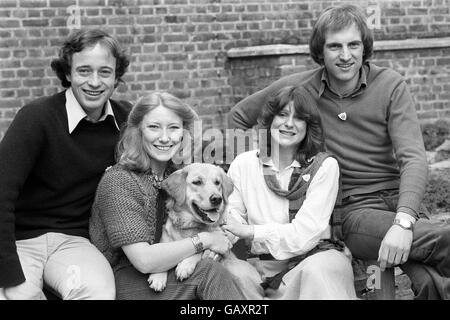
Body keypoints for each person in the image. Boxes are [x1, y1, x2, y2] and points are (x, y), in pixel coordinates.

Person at [228, 4, 450, 299]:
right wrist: (270, 164)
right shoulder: (301, 88)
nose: (345, 56)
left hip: (398, 203)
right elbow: (240, 117)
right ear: (321, 51)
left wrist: (404, 220)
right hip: (354, 210)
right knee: (443, 239)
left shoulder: (390, 85)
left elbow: (413, 158)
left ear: (364, 47)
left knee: (429, 280)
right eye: (335, 46)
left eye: (353, 45)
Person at [0, 29, 131, 300]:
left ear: (116, 77)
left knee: (98, 291)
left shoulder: (126, 120)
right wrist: (9, 274)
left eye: (104, 72)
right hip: (20, 241)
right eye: (84, 71)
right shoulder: (36, 118)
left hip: (74, 241)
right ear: (68, 74)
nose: (94, 82)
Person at [89, 91, 245, 300]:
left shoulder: (176, 176)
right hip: (125, 278)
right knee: (209, 273)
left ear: (184, 133)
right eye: (154, 127)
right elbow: (144, 261)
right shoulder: (119, 182)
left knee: (231, 271)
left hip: (172, 271)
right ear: (138, 132)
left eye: (173, 128)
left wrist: (224, 232)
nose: (165, 137)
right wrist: (206, 239)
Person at [223, 85, 356, 299]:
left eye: (299, 118)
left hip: (314, 257)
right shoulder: (244, 163)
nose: (288, 124)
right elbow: (232, 216)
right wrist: (228, 230)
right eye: (282, 115)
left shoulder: (324, 166)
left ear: (308, 126)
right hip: (260, 266)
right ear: (269, 120)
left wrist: (251, 231)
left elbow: (305, 234)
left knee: (316, 272)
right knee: (231, 273)